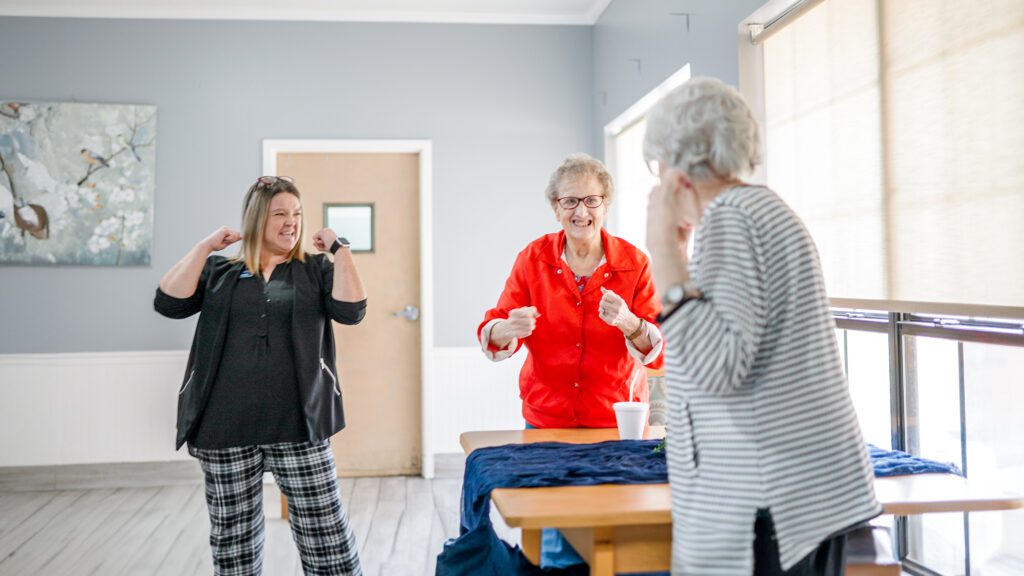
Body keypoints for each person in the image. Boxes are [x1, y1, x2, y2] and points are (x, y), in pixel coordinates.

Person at [643, 76, 882, 575]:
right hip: (804, 489)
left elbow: (719, 366)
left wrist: (663, 253)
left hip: (774, 497)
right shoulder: (764, 209)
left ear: (675, 169)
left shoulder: (731, 217)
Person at [154, 175, 366, 576]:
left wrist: (340, 249)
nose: (292, 222)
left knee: (327, 537)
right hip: (223, 427)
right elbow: (169, 302)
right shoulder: (220, 270)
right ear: (255, 219)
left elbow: (352, 311)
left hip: (299, 424)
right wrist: (204, 247)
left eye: (298, 213)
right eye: (280, 214)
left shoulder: (316, 269)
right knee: (233, 543)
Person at [478, 153, 664, 568]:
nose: (581, 212)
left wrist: (631, 324)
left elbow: (660, 349)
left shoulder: (634, 263)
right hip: (547, 419)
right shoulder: (533, 258)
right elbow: (492, 326)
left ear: (606, 204)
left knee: (618, 530)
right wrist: (509, 328)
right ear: (554, 207)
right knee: (554, 534)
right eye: (570, 201)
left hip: (613, 422)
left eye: (592, 200)